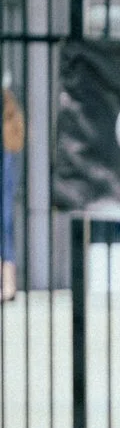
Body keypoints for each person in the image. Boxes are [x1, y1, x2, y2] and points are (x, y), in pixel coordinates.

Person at [1, 84, 24, 303]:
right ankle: (8, 284)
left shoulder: (8, 107)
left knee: (5, 228)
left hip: (5, 171)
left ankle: (8, 285)